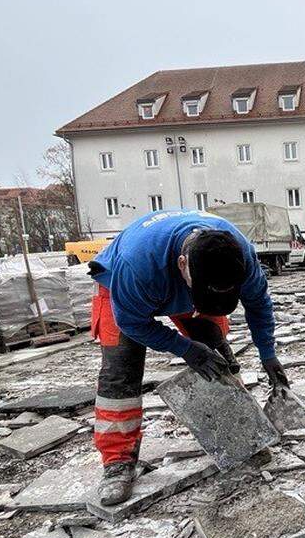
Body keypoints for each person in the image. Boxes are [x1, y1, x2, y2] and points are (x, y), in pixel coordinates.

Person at [87, 210, 289, 505]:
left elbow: (258, 304)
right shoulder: (137, 266)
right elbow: (131, 323)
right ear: (183, 266)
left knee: (217, 355)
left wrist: (268, 353)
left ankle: (240, 436)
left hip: (186, 280)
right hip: (120, 289)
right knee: (121, 372)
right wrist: (185, 348)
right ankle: (117, 463)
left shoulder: (239, 255)